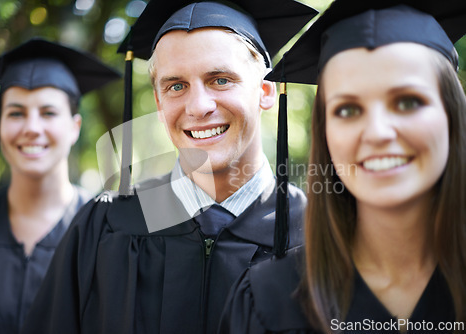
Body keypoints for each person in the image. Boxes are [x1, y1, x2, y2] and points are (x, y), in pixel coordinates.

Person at [21, 1, 317, 333]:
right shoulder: (106, 224)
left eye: (220, 80)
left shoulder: (317, 235)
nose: (199, 106)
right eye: (176, 86)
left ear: (266, 92)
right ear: (159, 101)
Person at [219, 0, 466, 333]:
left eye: (408, 102)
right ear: (325, 132)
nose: (378, 132)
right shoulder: (268, 299)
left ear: (452, 116)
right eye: (347, 109)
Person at [0, 38, 120, 334]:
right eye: (16, 113)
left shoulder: (106, 232)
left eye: (48, 113)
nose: (32, 128)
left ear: (75, 127)